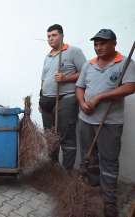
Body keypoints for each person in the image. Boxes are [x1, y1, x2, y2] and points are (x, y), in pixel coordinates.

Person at [76, 29, 135, 217]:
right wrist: (82, 102)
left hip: (110, 123)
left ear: (114, 44)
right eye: (96, 44)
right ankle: (93, 191)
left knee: (108, 162)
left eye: (102, 43)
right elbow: (79, 86)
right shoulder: (88, 64)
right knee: (89, 157)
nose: (98, 47)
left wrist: (100, 97)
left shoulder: (124, 63)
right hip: (85, 121)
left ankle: (109, 201)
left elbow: (131, 86)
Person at [39, 24, 86, 170]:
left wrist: (65, 78)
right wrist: (41, 97)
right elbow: (44, 79)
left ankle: (67, 172)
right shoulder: (48, 56)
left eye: (54, 35)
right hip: (47, 100)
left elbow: (86, 72)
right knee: (50, 136)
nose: (51, 38)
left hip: (65, 98)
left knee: (66, 136)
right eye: (48, 36)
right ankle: (53, 168)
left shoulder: (73, 52)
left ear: (62, 36)